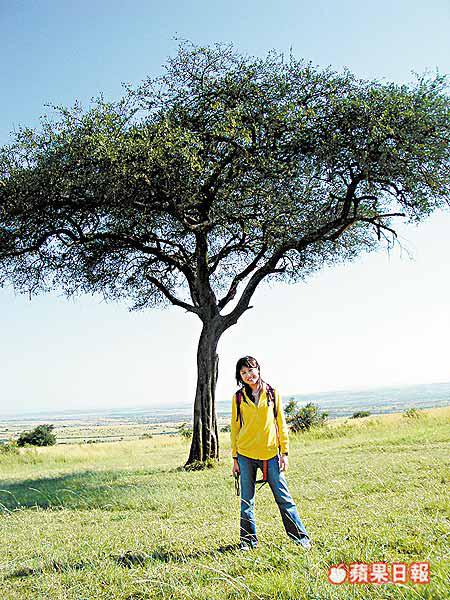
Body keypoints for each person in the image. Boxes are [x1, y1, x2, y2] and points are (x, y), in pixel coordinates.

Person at [231, 355, 311, 551]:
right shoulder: (238, 398)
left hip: (271, 454)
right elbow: (235, 429)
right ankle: (248, 542)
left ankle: (301, 538)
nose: (248, 375)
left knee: (284, 498)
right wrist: (235, 458)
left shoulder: (273, 393)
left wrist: (285, 453)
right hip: (245, 455)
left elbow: (280, 423)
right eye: (243, 373)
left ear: (258, 369)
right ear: (240, 376)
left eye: (251, 370)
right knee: (246, 502)